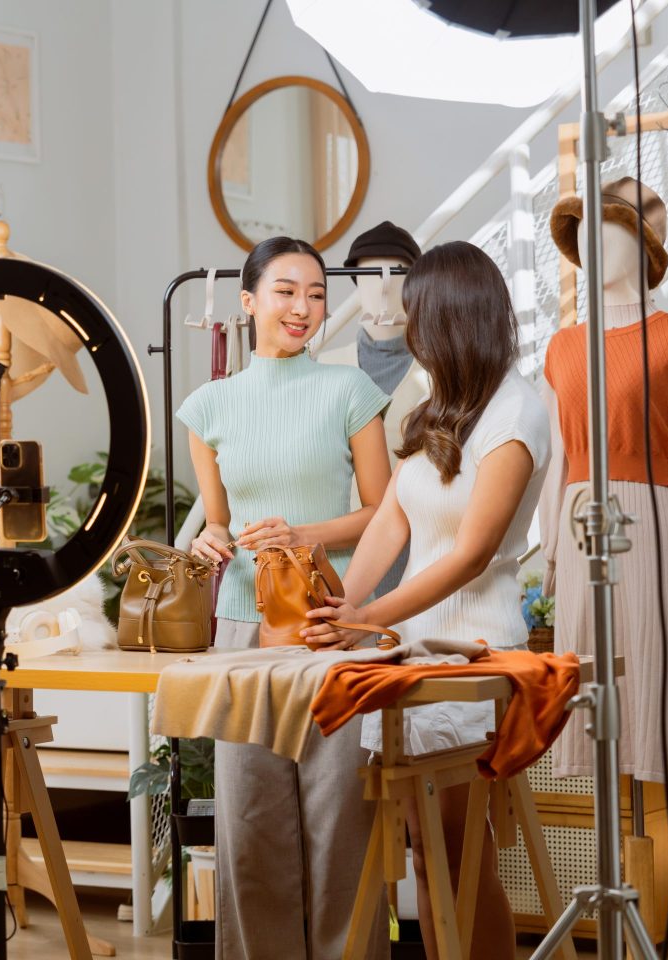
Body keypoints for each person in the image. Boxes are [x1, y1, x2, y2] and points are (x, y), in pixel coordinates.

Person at [302, 240, 552, 960]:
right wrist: (339, 613)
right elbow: (391, 521)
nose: (407, 331)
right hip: (415, 654)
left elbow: (474, 551)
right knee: (423, 856)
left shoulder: (516, 413)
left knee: (458, 855)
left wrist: (366, 618)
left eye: (416, 317)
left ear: (449, 318)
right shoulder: (436, 407)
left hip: (476, 655)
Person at [180, 236, 392, 960]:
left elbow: (384, 512)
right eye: (285, 291)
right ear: (248, 302)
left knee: (340, 824)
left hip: (330, 626)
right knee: (251, 825)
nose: (303, 307)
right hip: (242, 631)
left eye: (315, 294)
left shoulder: (350, 391)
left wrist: (305, 532)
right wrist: (209, 539)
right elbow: (216, 518)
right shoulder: (206, 407)